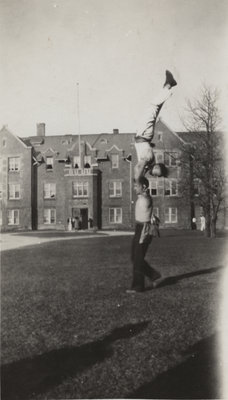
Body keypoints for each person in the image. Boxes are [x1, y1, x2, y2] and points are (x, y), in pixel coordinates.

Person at [134, 70, 177, 181]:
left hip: (142, 134)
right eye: (160, 172)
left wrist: (138, 180)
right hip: (144, 134)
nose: (158, 172)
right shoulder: (149, 160)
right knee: (153, 107)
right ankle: (168, 85)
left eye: (158, 174)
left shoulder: (147, 165)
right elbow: (138, 167)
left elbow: (138, 167)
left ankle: (167, 85)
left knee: (153, 108)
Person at [126, 176, 161, 293]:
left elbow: (145, 201)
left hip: (144, 229)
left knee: (138, 259)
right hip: (138, 228)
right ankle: (154, 275)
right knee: (134, 257)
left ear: (144, 187)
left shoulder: (146, 198)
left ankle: (138, 286)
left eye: (137, 186)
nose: (134, 188)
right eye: (135, 186)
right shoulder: (142, 197)